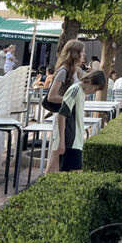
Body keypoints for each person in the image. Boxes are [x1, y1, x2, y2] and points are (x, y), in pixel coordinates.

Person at [45, 39, 87, 174]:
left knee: (60, 153)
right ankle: (47, 183)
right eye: (82, 53)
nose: (84, 55)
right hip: (62, 116)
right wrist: (69, 100)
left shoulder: (76, 70)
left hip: (70, 117)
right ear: (75, 54)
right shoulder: (64, 71)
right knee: (56, 153)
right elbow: (51, 96)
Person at [54, 70, 106, 172]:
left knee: (71, 175)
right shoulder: (75, 90)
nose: (94, 92)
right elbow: (62, 115)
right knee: (72, 174)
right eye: (95, 89)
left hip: (75, 140)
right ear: (90, 82)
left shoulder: (81, 92)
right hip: (70, 140)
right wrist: (62, 141)